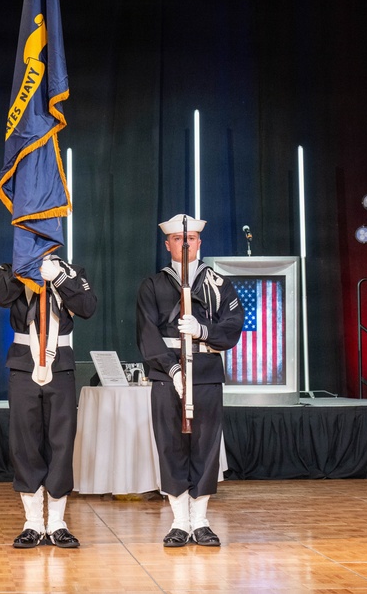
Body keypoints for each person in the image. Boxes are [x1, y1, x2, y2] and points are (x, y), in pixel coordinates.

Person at [135, 214, 243, 548]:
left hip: (206, 372)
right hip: (167, 376)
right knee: (170, 445)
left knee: (205, 446)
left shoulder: (218, 284)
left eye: (191, 239)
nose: (186, 244)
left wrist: (203, 331)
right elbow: (147, 335)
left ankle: (201, 521)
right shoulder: (153, 285)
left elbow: (233, 325)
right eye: (179, 239)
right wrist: (173, 370)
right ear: (168, 244)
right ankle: (180, 520)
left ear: (200, 243)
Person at [0, 253, 97, 549]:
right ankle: (33, 523)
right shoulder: (8, 268)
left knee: (61, 442)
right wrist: (24, 271)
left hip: (59, 365)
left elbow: (88, 307)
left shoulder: (72, 271)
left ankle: (58, 523)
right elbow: (1, 295)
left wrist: (60, 278)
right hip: (23, 364)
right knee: (25, 443)